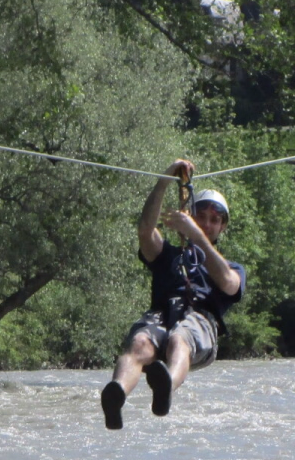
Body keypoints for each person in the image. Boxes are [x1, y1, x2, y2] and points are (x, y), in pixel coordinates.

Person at [100, 159, 246, 429]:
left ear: (222, 228)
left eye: (214, 220)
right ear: (190, 214)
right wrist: (164, 179)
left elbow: (229, 284)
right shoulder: (167, 254)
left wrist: (195, 234)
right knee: (140, 343)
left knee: (180, 339)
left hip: (199, 321)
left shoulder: (231, 267)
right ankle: (116, 393)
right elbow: (145, 230)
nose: (207, 224)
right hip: (161, 314)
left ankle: (166, 385)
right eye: (201, 216)